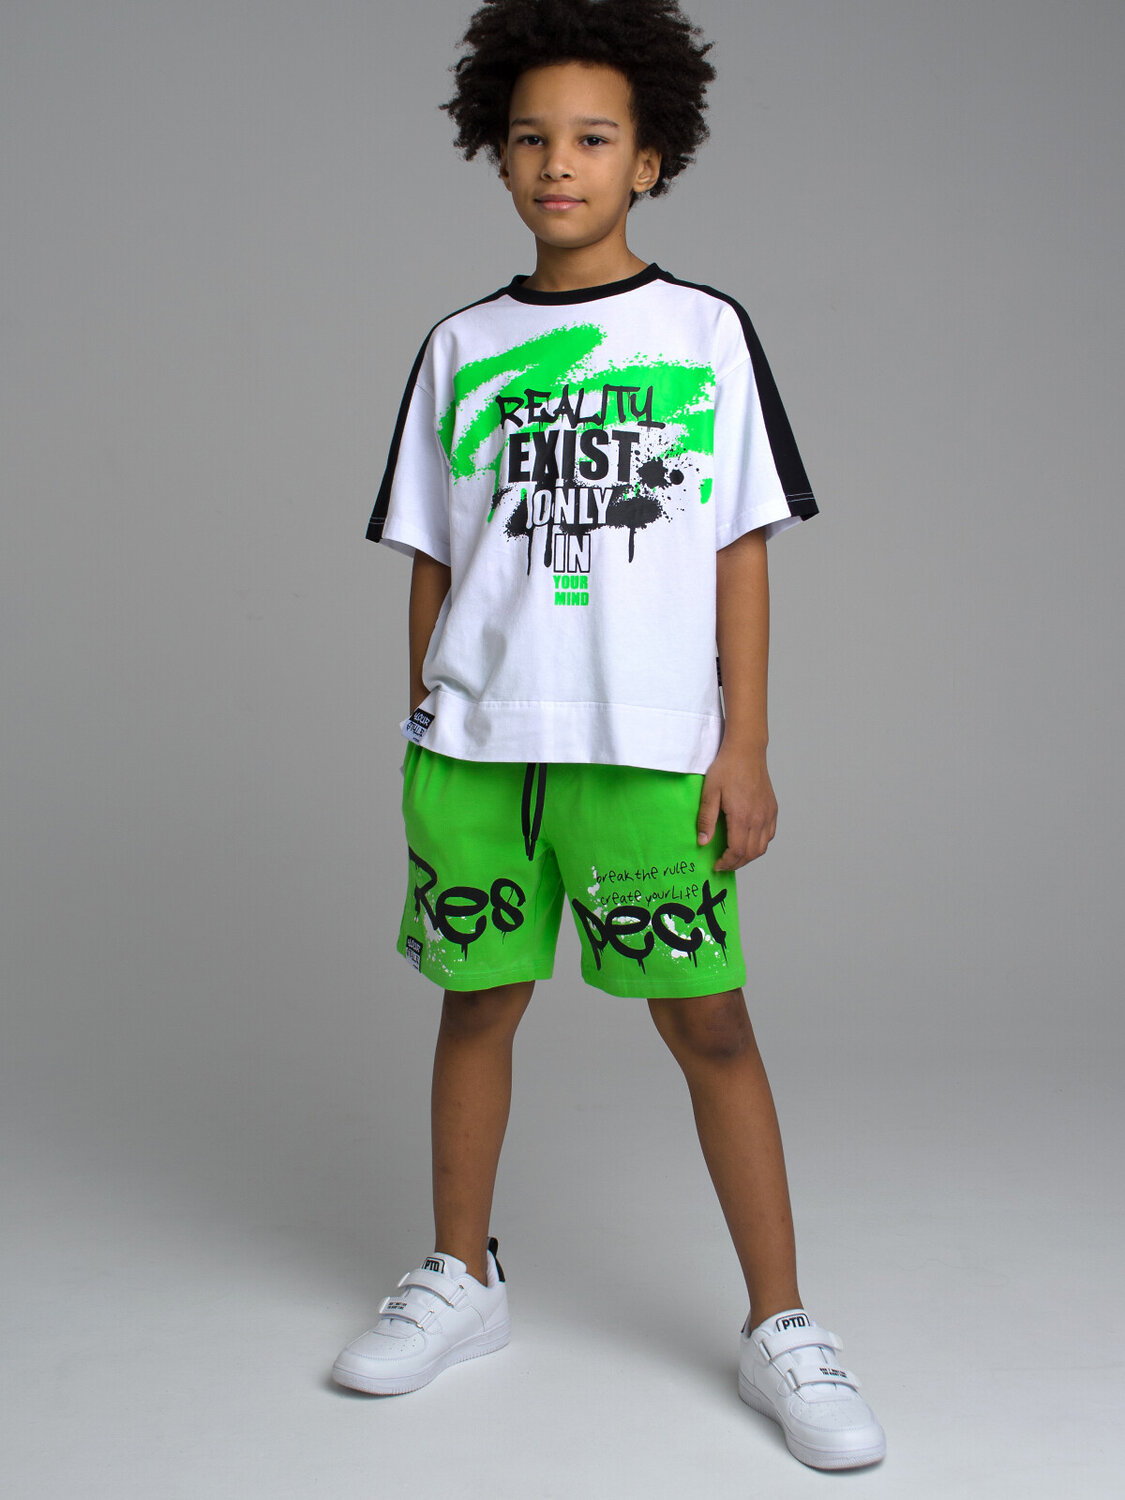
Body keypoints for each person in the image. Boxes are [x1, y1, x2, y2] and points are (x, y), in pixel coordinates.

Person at [332, 0, 886, 1472]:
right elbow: (433, 557)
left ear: (648, 160)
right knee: (475, 1006)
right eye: (530, 139)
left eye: (590, 138)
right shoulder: (459, 346)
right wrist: (421, 725)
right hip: (476, 752)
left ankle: (782, 1324)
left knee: (709, 1024)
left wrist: (743, 745)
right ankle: (461, 1275)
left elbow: (739, 548)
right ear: (497, 157)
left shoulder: (704, 333)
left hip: (647, 751)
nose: (556, 164)